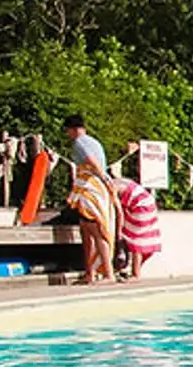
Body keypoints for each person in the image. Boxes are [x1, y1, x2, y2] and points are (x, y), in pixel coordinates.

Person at [63, 116, 117, 284]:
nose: (68, 134)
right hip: (93, 188)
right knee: (86, 231)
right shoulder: (94, 142)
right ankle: (90, 272)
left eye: (68, 131)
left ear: (73, 129)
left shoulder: (80, 142)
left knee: (95, 230)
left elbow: (90, 161)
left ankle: (108, 273)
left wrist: (103, 177)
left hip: (90, 189)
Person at [112, 171, 162, 281]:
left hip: (140, 207)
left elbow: (119, 213)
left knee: (136, 239)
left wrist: (118, 232)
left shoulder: (110, 189)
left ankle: (135, 274)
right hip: (147, 203)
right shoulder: (116, 181)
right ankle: (133, 269)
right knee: (141, 238)